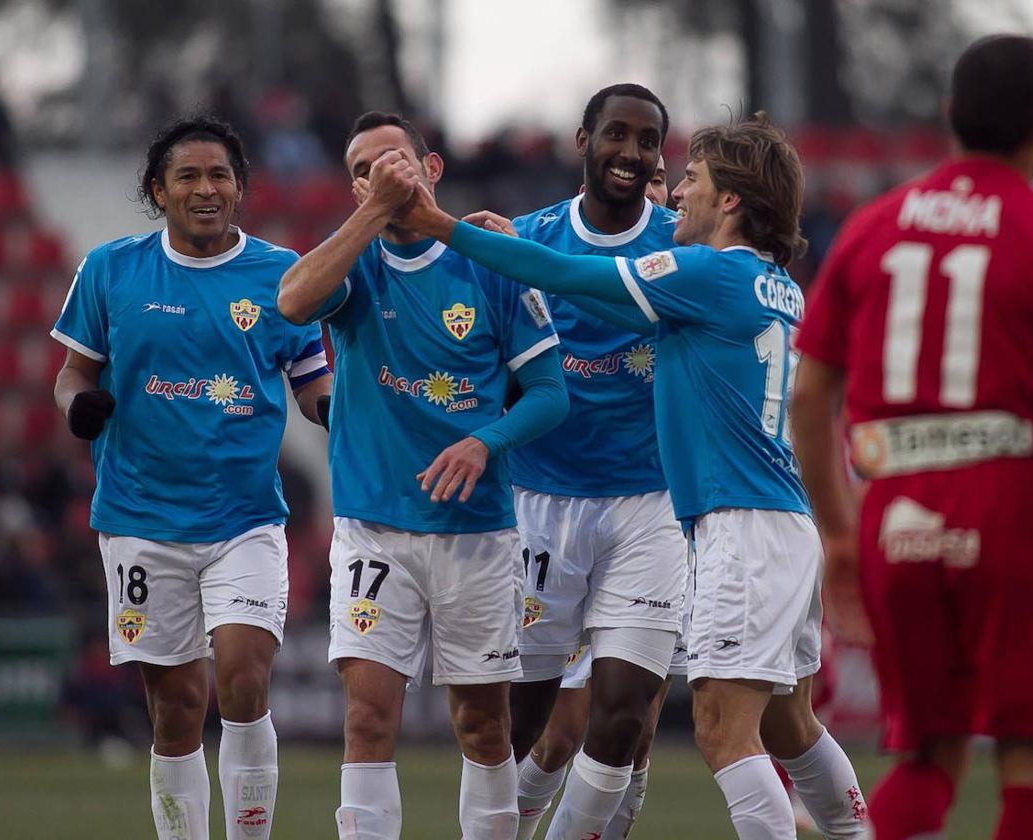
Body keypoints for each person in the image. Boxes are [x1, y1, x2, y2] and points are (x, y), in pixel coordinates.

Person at [396, 111, 868, 839]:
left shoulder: (707, 271)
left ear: (732, 199)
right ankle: (858, 830)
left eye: (693, 179)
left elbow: (569, 273)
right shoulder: (774, 284)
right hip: (784, 523)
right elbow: (596, 295)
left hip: (739, 526)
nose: (676, 193)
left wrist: (447, 227)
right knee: (790, 722)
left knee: (720, 727)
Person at [791, 34, 1033, 840]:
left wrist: (840, 534)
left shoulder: (873, 230)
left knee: (927, 758)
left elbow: (811, 398)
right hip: (1019, 507)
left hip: (898, 511)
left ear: (950, 117)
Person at [276, 111, 569, 840]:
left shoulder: (490, 263)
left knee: (482, 722)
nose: (386, 175)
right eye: (366, 170)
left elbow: (552, 394)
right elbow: (290, 301)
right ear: (356, 188)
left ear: (431, 167)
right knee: (369, 716)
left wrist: (484, 442)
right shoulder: (357, 266)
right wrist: (374, 213)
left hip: (476, 530)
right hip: (375, 528)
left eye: (397, 161)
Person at [51, 115, 332, 840]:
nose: (206, 189)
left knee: (242, 678)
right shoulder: (112, 268)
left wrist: (339, 412)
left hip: (244, 518)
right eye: (188, 176)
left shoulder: (280, 273)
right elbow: (73, 372)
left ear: (240, 190)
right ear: (159, 190)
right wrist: (79, 405)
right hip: (141, 519)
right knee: (175, 707)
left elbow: (311, 382)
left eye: (219, 176)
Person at [471, 85, 687, 840]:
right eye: (617, 135)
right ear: (583, 140)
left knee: (624, 716)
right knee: (522, 722)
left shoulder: (684, 246)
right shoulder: (526, 242)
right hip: (539, 502)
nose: (632, 153)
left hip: (651, 506)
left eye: (648, 141)